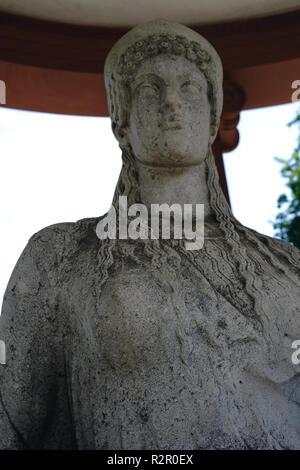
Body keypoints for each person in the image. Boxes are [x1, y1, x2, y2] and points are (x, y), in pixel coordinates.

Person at [0, 20, 300, 450]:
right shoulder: (62, 255)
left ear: (214, 119)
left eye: (190, 88)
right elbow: (11, 422)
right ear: (121, 122)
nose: (172, 102)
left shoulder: (287, 263)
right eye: (149, 89)